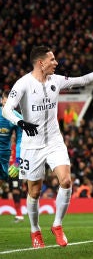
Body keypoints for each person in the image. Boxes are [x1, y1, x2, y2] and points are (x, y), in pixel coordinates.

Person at [2, 45, 93, 248]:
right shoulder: (23, 84)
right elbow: (6, 109)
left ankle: (57, 225)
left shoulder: (56, 80)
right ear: (41, 63)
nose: (56, 63)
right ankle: (35, 231)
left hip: (55, 142)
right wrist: (20, 122)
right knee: (34, 192)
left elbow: (81, 80)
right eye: (52, 60)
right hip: (32, 145)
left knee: (66, 181)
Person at [0, 90, 23, 222]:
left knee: (15, 187)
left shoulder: (16, 118)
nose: (7, 102)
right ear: (2, 100)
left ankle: (19, 214)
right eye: (5, 99)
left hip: (8, 158)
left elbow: (20, 140)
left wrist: (18, 161)